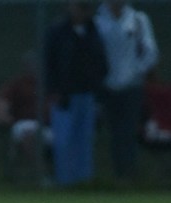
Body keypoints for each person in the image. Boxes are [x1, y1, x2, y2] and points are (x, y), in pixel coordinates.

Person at [94, 0, 158, 185]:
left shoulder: (138, 19)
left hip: (131, 87)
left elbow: (151, 51)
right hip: (108, 87)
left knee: (128, 132)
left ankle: (129, 175)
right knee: (114, 134)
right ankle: (118, 175)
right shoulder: (99, 22)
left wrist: (136, 70)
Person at [44, 1, 107, 187]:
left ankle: (84, 182)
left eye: (85, 7)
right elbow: (49, 63)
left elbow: (101, 61)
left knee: (84, 141)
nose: (81, 11)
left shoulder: (94, 30)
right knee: (64, 141)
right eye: (78, 6)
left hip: (87, 94)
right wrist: (53, 90)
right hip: (65, 96)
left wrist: (99, 88)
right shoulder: (57, 32)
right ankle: (65, 182)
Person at [0, 50, 52, 184]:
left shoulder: (48, 84)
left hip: (48, 126)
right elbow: (2, 106)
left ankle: (66, 178)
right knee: (29, 135)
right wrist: (5, 119)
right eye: (30, 64)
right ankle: (40, 175)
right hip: (23, 124)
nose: (34, 67)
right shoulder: (16, 85)